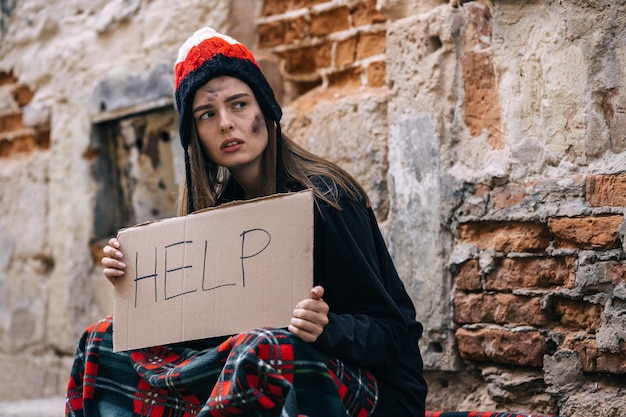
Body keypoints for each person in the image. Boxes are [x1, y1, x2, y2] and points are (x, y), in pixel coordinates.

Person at [65, 27, 427, 417]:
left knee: (265, 346)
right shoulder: (214, 220)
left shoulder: (328, 198)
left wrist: (329, 327)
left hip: (371, 391)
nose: (225, 123)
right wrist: (135, 283)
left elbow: (393, 331)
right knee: (103, 336)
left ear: (265, 110)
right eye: (207, 114)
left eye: (239, 105)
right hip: (254, 375)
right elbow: (205, 337)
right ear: (195, 136)